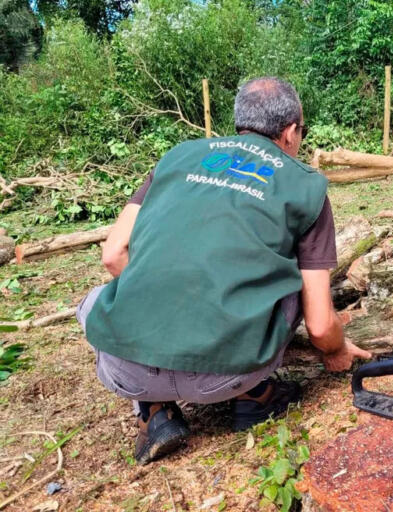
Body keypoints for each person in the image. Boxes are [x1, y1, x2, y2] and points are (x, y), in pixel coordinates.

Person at [76, 77, 372, 465]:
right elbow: (318, 325)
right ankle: (254, 395)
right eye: (302, 131)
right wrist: (336, 351)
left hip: (126, 371)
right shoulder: (306, 186)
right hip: (226, 375)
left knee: (93, 301)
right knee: (293, 283)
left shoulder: (177, 157)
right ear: (290, 132)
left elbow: (113, 255)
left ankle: (153, 411)